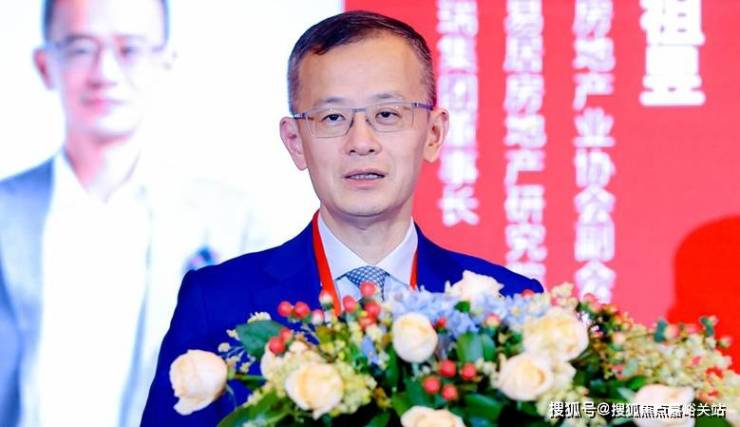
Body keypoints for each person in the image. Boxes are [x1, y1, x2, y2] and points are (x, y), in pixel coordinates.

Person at [141, 10, 543, 426]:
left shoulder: (512, 306)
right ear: (295, 142)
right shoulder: (217, 302)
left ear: (434, 133)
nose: (361, 142)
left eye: (387, 114)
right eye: (333, 118)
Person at [0, 0, 263, 426]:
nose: (105, 72)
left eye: (130, 49)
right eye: (81, 47)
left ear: (165, 62)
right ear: (45, 64)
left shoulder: (232, 224)